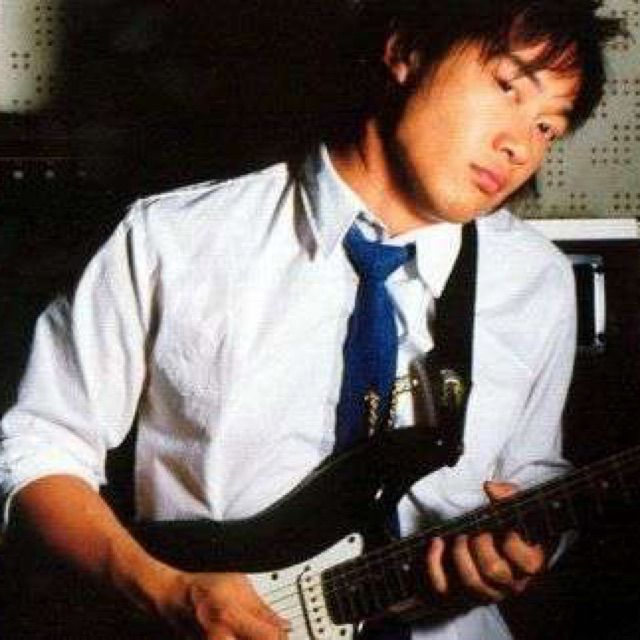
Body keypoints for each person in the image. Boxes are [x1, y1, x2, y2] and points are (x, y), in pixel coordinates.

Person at [0, 1, 621, 639]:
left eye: (548, 127)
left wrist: (531, 544)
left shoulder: (536, 280)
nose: (520, 146)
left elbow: (533, 471)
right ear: (406, 52)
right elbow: (39, 447)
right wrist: (163, 590)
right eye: (508, 88)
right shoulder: (175, 239)